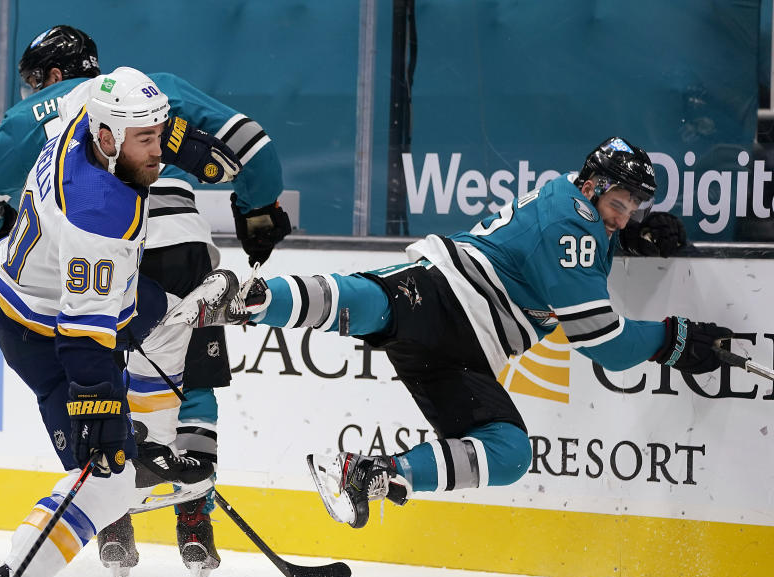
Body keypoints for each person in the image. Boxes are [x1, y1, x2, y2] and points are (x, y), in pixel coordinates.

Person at [165, 137, 733, 529]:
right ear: (593, 185)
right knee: (373, 303)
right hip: (449, 292)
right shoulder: (573, 225)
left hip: (473, 352)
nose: (621, 217)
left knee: (509, 453)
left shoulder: (574, 205)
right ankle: (247, 298)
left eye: (631, 210)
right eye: (618, 204)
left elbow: (569, 255)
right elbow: (602, 343)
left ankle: (376, 474)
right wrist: (675, 341)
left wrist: (624, 238)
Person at [0, 25, 290, 577]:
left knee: (111, 389)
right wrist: (258, 207)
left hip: (92, 271)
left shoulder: (49, 116)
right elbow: (251, 144)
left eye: (35, 81)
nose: (31, 92)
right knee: (186, 364)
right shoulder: (152, 91)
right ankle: (190, 503)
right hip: (165, 246)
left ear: (54, 77)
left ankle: (116, 510)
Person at [0, 67, 224, 577]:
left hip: (36, 292)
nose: (157, 150)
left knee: (175, 297)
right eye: (144, 139)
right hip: (46, 336)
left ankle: (142, 444)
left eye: (157, 132)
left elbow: (108, 103)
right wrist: (98, 408)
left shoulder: (79, 112)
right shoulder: (101, 215)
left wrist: (173, 138)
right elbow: (84, 340)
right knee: (106, 476)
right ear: (108, 139)